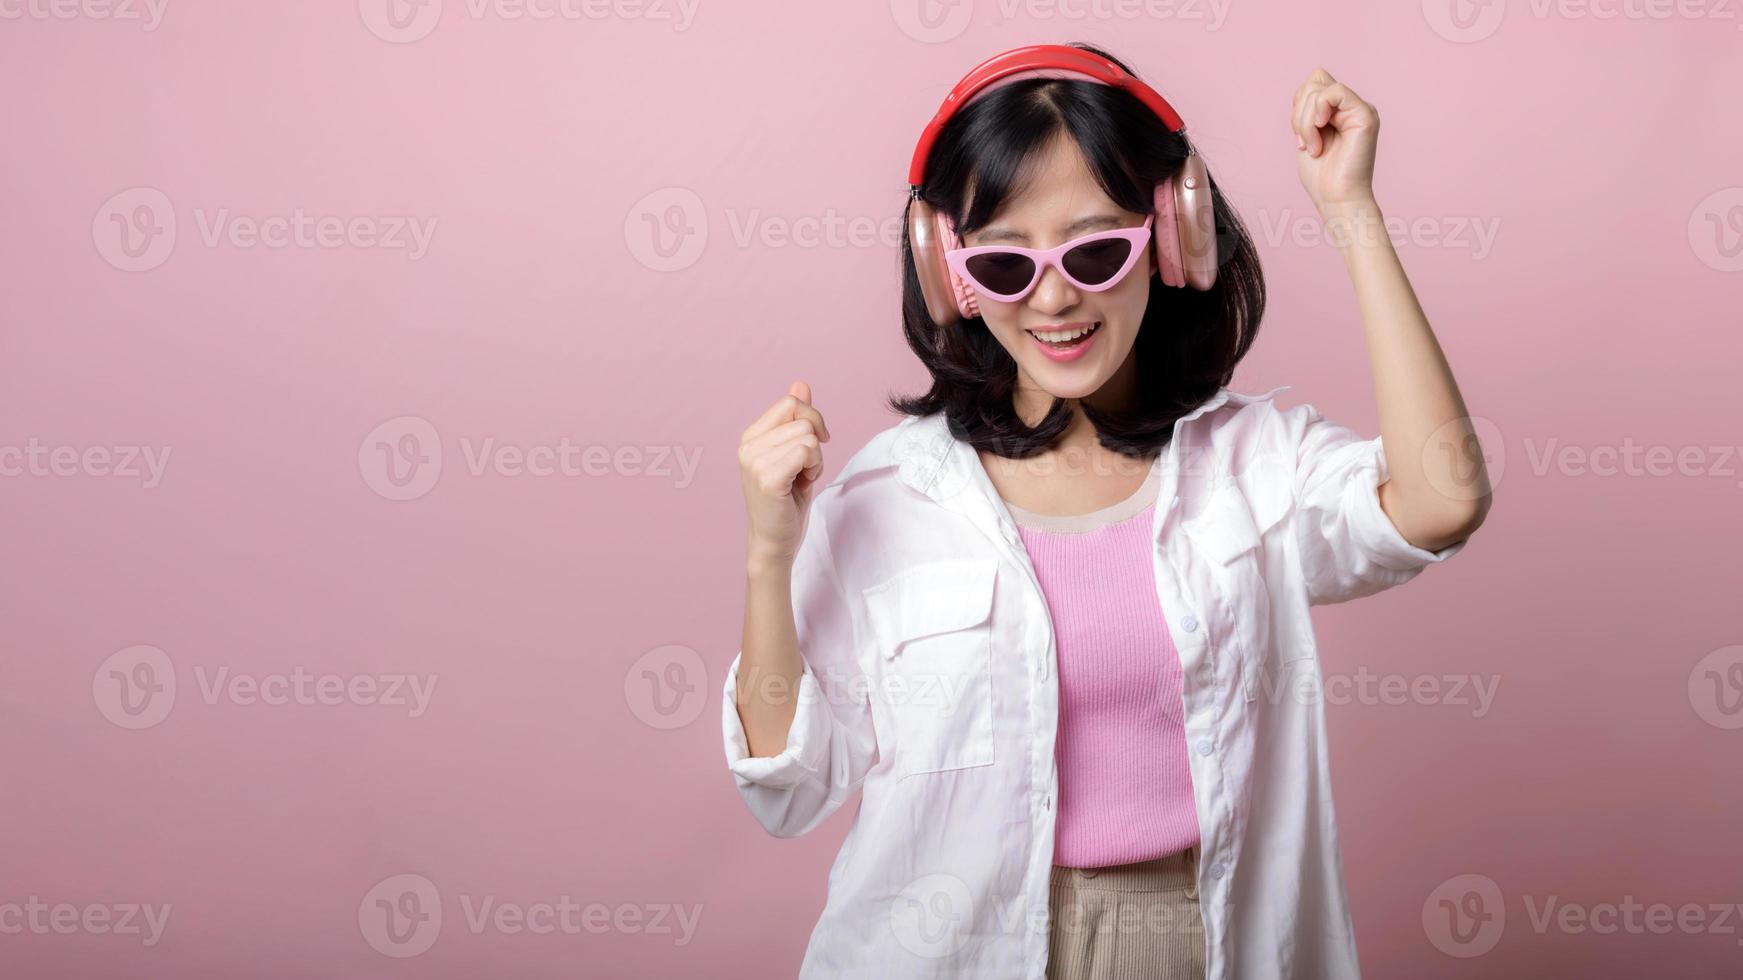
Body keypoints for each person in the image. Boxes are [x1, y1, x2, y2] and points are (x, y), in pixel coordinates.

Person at [723, 41, 1490, 980]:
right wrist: (769, 554)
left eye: (1093, 250)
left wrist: (1350, 211)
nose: (1053, 297)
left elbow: (1441, 499)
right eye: (1004, 265)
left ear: (1173, 235)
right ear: (948, 272)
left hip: (1193, 938)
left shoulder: (1251, 467)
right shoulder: (888, 498)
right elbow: (787, 786)